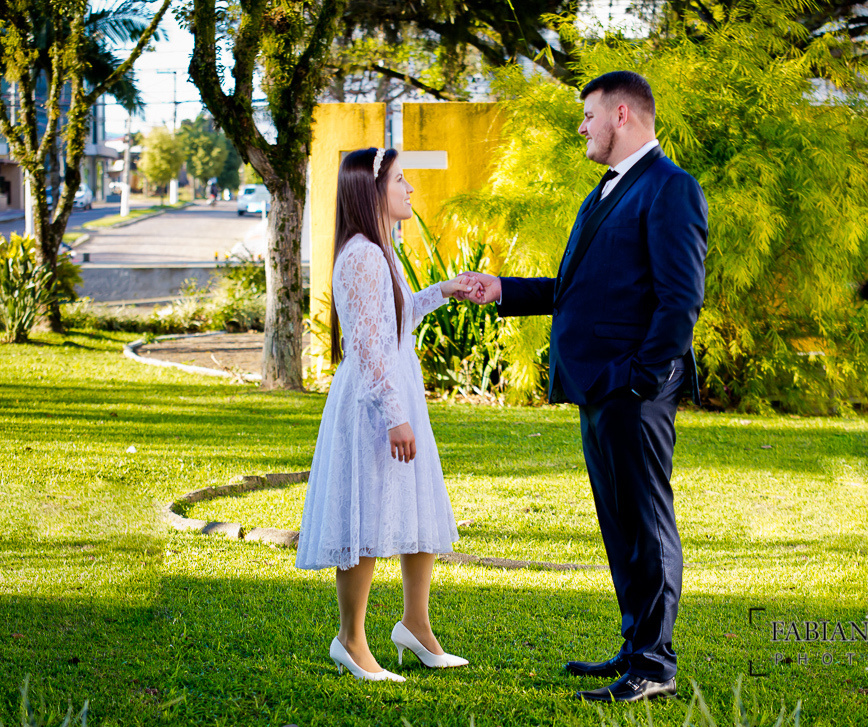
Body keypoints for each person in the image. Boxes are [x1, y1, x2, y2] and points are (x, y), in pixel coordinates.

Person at [462, 71, 708, 702]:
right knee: (619, 524)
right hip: (598, 387)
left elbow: (680, 301)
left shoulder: (671, 188)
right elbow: (578, 287)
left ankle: (654, 665)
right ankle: (634, 648)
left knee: (647, 522)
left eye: (589, 115)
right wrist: (503, 290)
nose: (582, 127)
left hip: (632, 390)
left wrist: (640, 379)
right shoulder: (606, 190)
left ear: (621, 114)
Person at [295, 147, 480, 682]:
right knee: (367, 511)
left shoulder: (381, 252)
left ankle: (415, 626)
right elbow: (367, 346)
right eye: (401, 179)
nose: (410, 188)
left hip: (397, 392)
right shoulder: (361, 256)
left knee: (415, 507)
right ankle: (351, 640)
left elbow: (395, 317)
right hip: (374, 404)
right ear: (372, 190)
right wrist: (395, 415)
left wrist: (443, 291)